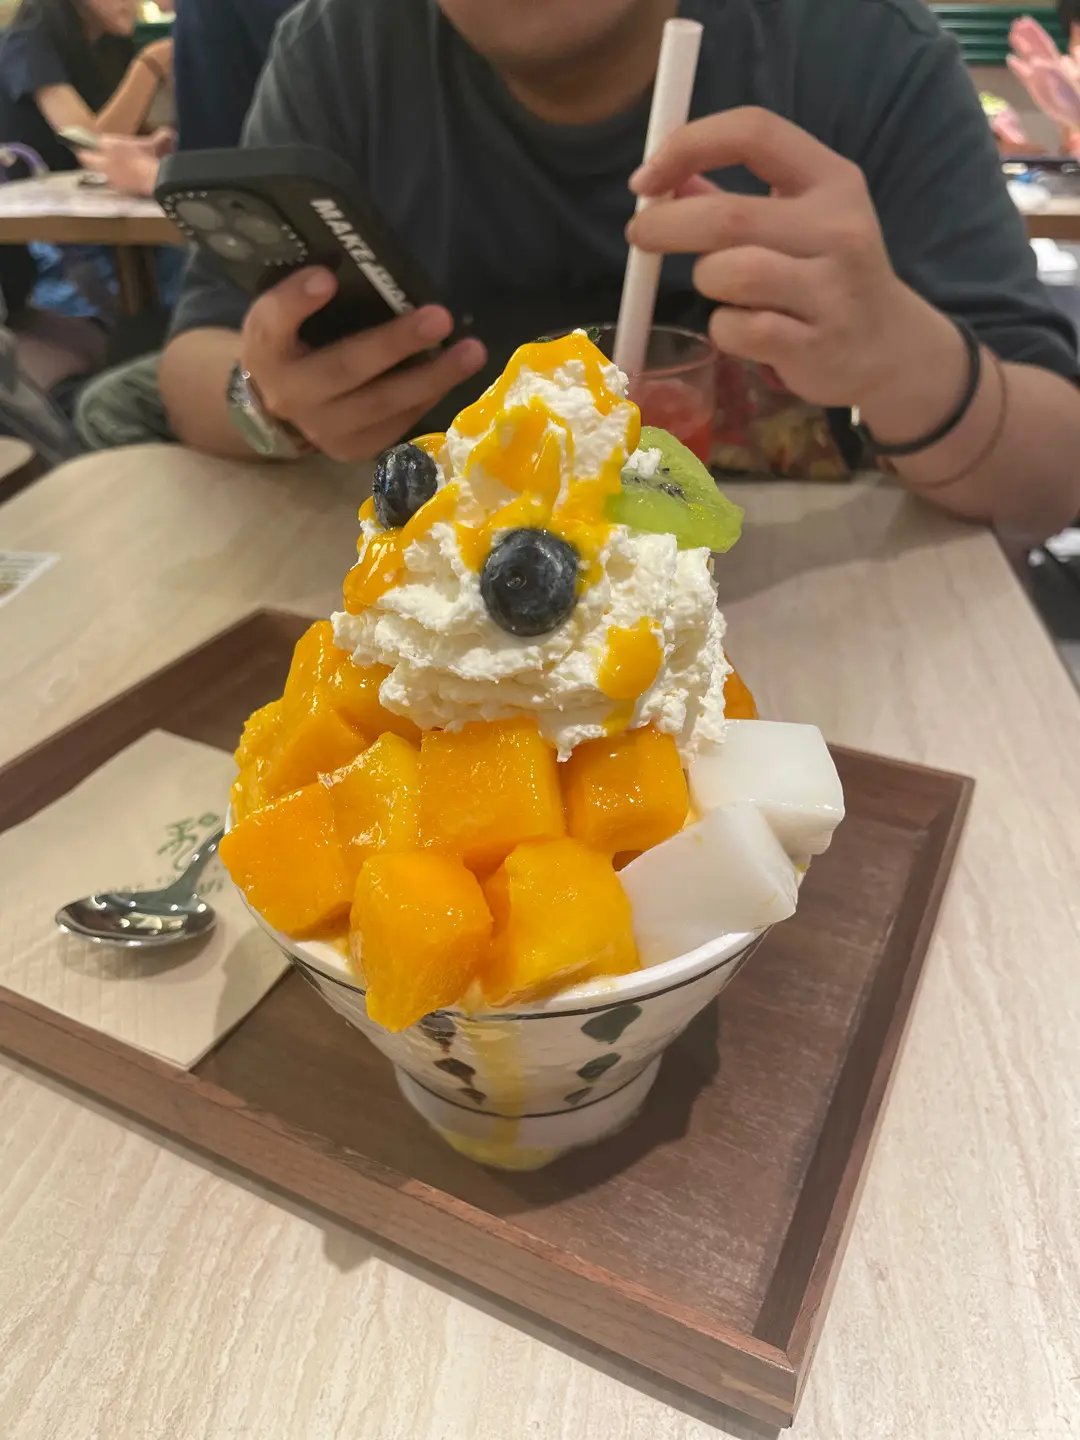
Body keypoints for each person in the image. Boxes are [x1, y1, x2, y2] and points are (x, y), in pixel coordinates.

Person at [159, 2, 1080, 533]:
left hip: (809, 653)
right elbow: (196, 359)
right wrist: (273, 405)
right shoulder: (339, 46)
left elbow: (1056, 472)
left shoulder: (863, 47)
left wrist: (900, 360)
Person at [73, 0, 297, 447]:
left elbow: (219, 198)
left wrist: (156, 175)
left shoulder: (210, 14)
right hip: (405, 304)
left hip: (314, 313)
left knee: (108, 405)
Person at [0, 0, 171, 316]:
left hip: (97, 221)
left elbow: (123, 137)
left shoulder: (109, 43)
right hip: (49, 243)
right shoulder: (27, 42)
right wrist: (149, 67)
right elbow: (88, 143)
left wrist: (152, 144)